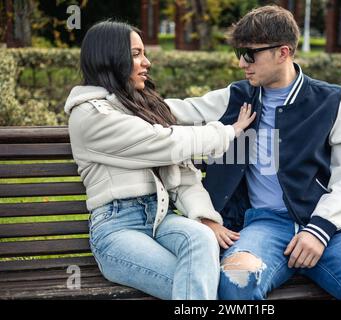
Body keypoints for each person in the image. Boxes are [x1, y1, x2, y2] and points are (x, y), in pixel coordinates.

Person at [164, 5, 341, 300]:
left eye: (250, 54)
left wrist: (319, 229)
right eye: (239, 53)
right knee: (235, 283)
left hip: (334, 231)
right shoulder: (235, 98)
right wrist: (109, 95)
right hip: (264, 226)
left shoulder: (338, 102)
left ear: (283, 52)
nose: (242, 63)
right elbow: (171, 111)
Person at [64, 20, 255, 300]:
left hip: (161, 219)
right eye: (136, 54)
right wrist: (229, 131)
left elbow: (183, 173)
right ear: (110, 57)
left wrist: (204, 217)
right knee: (198, 285)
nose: (147, 62)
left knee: (201, 240)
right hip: (118, 230)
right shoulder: (91, 116)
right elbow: (166, 142)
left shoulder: (140, 107)